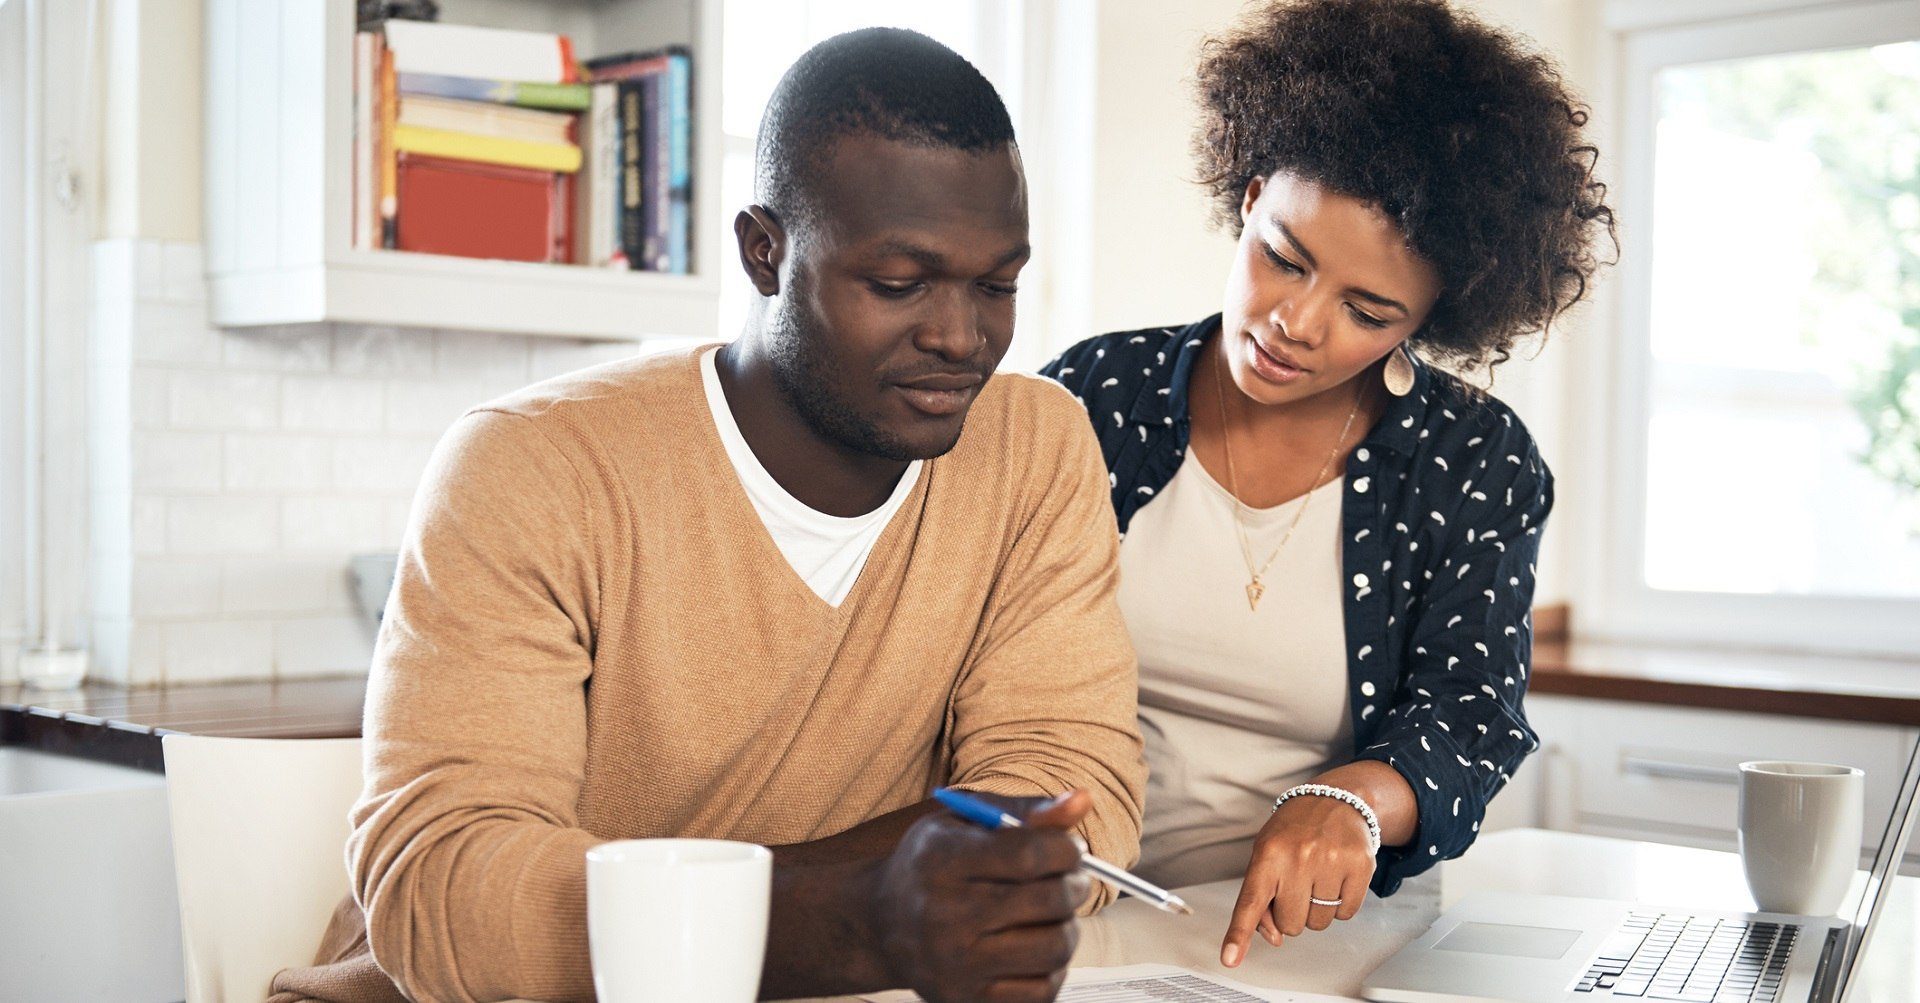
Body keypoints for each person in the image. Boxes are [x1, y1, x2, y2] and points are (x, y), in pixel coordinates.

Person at [271, 28, 1144, 1003]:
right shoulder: (531, 467)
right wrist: (859, 908)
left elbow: (1071, 801)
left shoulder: (1035, 449)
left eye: (997, 285)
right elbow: (446, 898)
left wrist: (894, 900)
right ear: (764, 252)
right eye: (900, 285)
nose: (960, 336)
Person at [1041, 0, 1615, 971]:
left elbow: (1469, 712)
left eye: (1367, 308)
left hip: (1321, 940)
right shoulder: (1098, 394)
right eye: (1283, 257)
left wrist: (1349, 798)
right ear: (1252, 190)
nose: (1297, 323)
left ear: (1431, 317)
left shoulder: (1474, 461)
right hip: (1078, 913)